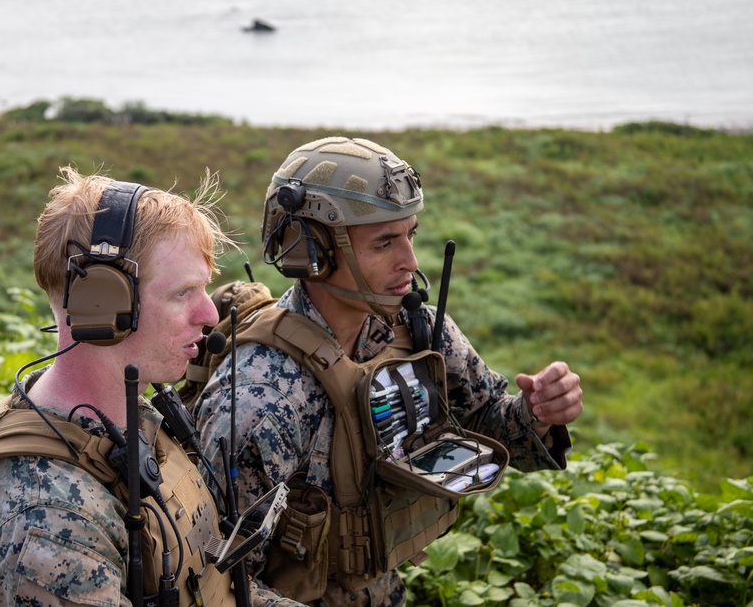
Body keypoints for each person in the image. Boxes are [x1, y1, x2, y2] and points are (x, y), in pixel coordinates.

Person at [192, 137, 584, 607]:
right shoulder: (259, 400)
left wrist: (537, 411)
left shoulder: (414, 326)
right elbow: (217, 579)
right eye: (384, 243)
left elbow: (486, 423)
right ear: (310, 250)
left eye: (410, 235)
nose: (411, 263)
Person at [0, 167, 304, 607]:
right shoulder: (47, 518)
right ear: (104, 304)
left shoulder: (135, 420)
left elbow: (216, 587)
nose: (209, 314)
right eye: (182, 293)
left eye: (204, 289)